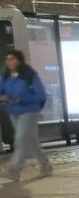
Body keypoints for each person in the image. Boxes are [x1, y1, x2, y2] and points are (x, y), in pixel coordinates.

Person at [0, 48, 51, 181]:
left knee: (21, 140)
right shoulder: (6, 76)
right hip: (13, 112)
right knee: (31, 142)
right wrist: (3, 97)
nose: (8, 62)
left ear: (19, 60)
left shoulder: (29, 75)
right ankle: (45, 165)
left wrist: (22, 99)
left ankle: (14, 169)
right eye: (7, 59)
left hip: (29, 111)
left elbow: (40, 95)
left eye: (12, 59)